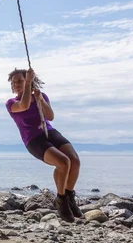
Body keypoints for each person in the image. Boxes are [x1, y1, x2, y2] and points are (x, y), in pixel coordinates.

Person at [6, 68, 82, 223]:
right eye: (14, 82)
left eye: (20, 81)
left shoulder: (41, 96)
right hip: (33, 139)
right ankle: (61, 201)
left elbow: (50, 116)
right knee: (63, 162)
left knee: (74, 161)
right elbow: (25, 105)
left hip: (49, 131)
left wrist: (40, 99)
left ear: (29, 80)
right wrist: (28, 85)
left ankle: (69, 196)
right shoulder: (11, 103)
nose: (16, 84)